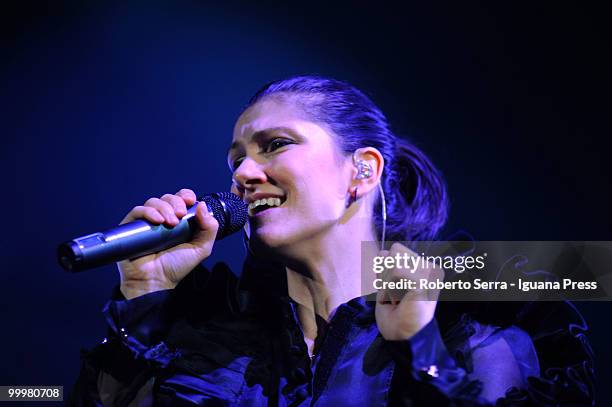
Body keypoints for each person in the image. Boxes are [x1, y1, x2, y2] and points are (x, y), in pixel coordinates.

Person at [69, 76, 595, 406]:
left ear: (362, 172)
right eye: (236, 161)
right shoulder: (210, 349)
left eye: (275, 146)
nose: (245, 173)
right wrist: (144, 297)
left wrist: (419, 348)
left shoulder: (473, 335)